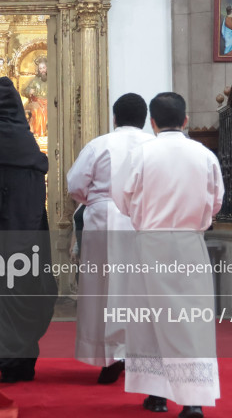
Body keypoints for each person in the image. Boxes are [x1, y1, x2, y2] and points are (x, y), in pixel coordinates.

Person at [113, 92, 224, 418]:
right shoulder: (204, 155)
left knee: (147, 320)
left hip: (151, 243)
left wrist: (144, 213)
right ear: (185, 120)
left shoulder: (142, 153)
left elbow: (121, 198)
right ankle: (192, 400)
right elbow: (216, 201)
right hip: (190, 243)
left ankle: (156, 395)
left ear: (153, 122)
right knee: (191, 322)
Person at [0, 77, 57, 383]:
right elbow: (36, 197)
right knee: (22, 292)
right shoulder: (26, 140)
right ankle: (19, 361)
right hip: (23, 236)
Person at [67, 93, 154, 384]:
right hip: (144, 219)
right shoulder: (153, 146)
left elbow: (75, 184)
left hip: (104, 219)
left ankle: (109, 357)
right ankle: (139, 355)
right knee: (140, 289)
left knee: (102, 289)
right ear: (145, 120)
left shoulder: (99, 144)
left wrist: (96, 200)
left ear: (114, 117)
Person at [23, 58, 48, 138]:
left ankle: (46, 135)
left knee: (48, 110)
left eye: (44, 68)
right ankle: (38, 135)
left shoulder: (51, 79)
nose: (42, 70)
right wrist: (29, 91)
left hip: (49, 102)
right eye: (40, 68)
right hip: (37, 102)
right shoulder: (35, 80)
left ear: (47, 68)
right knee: (37, 110)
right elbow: (25, 90)